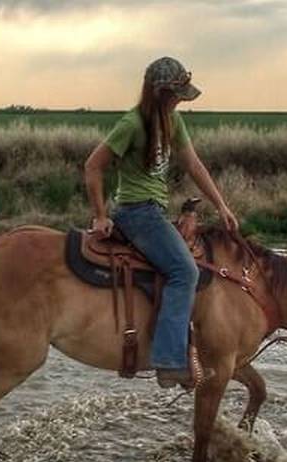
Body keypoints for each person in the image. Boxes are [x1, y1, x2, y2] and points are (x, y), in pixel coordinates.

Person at [84, 56, 239, 388]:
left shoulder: (173, 121)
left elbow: (195, 166)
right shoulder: (132, 124)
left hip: (153, 211)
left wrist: (221, 205)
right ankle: (169, 361)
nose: (180, 101)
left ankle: (189, 342)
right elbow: (93, 166)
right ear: (159, 92)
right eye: (176, 94)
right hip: (137, 212)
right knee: (185, 271)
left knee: (193, 258)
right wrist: (99, 215)